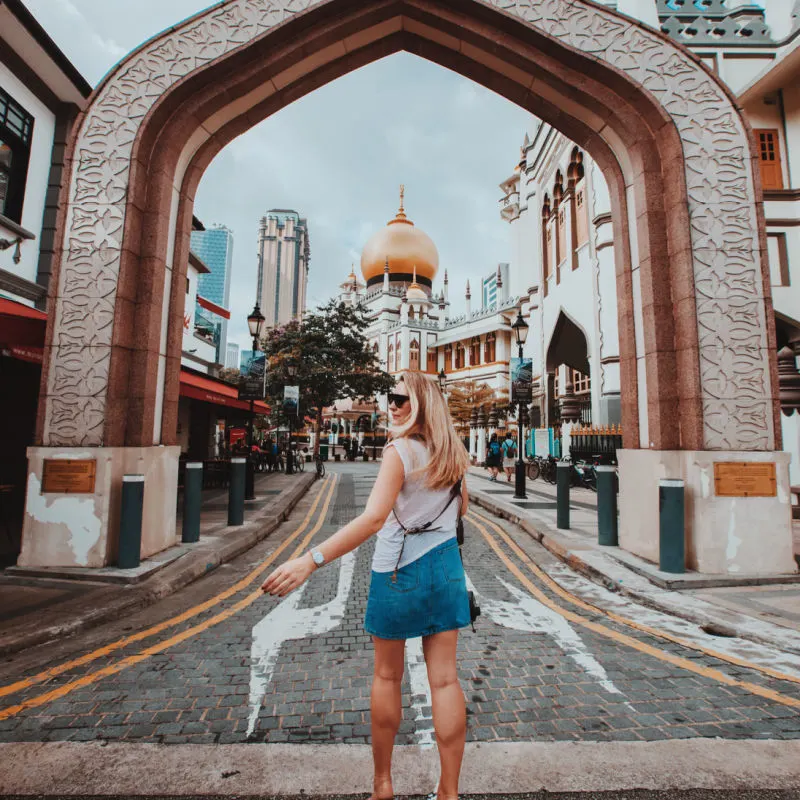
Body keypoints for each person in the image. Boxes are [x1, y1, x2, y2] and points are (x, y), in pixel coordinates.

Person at [262, 371, 472, 800]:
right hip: (447, 568)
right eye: (389, 397)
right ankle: (449, 792)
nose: (391, 405)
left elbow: (373, 518)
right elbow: (461, 508)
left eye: (400, 398)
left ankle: (382, 785)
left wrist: (310, 559)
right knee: (446, 682)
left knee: (387, 676)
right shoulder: (454, 452)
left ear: (421, 404)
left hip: (397, 571)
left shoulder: (398, 452)